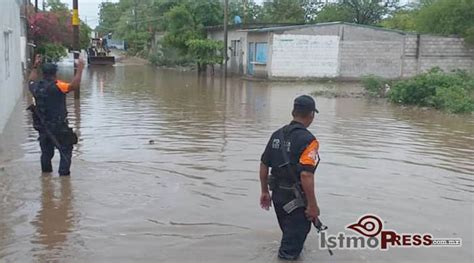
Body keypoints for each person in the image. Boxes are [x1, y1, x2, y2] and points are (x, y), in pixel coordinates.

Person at [259, 95, 321, 260]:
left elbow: (264, 164)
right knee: (289, 252)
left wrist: (264, 192)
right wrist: (313, 205)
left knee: (290, 239)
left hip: (278, 197)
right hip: (296, 201)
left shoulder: (276, 135)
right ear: (311, 115)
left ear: (293, 112)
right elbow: (306, 174)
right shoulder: (310, 141)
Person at [28, 54, 85, 176]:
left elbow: (30, 80)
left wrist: (35, 65)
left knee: (46, 153)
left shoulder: (36, 87)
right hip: (59, 127)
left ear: (43, 73)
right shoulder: (58, 86)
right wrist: (80, 69)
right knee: (66, 150)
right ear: (55, 73)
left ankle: (46, 177)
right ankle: (64, 179)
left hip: (43, 128)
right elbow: (74, 86)